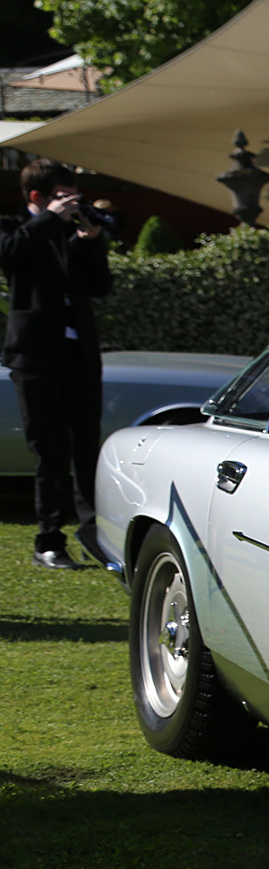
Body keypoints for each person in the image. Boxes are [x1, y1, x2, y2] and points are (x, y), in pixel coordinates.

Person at [2, 158, 111, 569]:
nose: (70, 205)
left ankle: (93, 536)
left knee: (85, 447)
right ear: (38, 198)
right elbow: (9, 255)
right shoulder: (15, 228)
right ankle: (48, 540)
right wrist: (48, 220)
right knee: (49, 452)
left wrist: (90, 240)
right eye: (62, 198)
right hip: (34, 357)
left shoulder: (70, 233)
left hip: (79, 356)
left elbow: (101, 287)